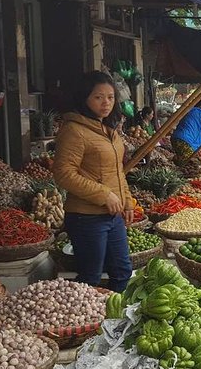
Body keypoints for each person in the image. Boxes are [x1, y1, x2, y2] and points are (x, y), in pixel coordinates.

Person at [52, 71, 133, 292]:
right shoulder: (74, 131)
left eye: (110, 97)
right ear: (84, 98)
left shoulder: (109, 130)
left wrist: (126, 200)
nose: (106, 103)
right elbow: (63, 173)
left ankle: (115, 319)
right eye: (98, 97)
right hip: (86, 217)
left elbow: (117, 171)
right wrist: (104, 194)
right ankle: (86, 323)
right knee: (90, 276)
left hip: (112, 216)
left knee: (122, 271)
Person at [171, 99, 201, 164]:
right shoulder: (200, 111)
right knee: (191, 163)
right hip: (185, 141)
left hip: (176, 138)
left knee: (183, 161)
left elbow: (194, 127)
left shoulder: (191, 112)